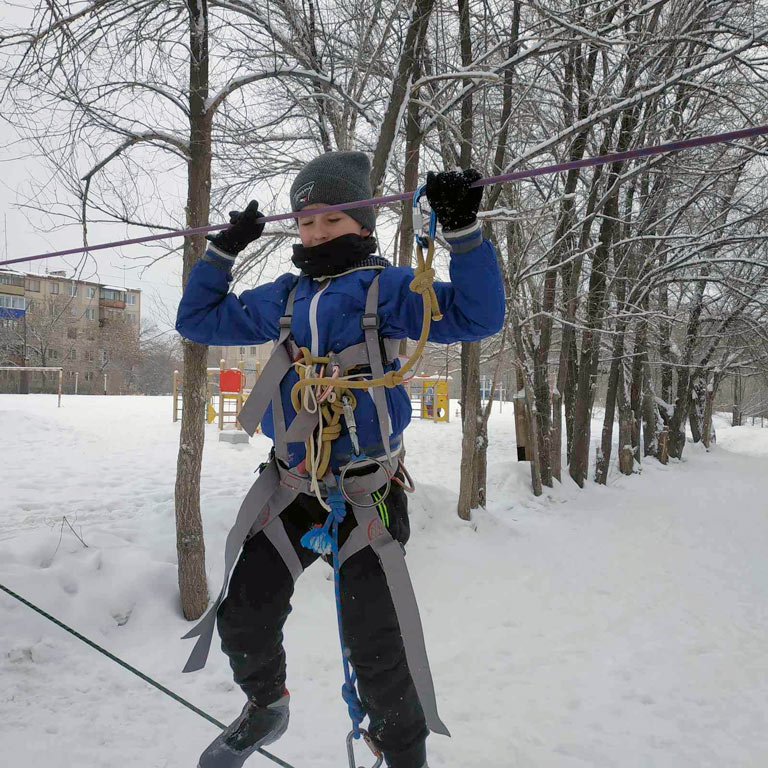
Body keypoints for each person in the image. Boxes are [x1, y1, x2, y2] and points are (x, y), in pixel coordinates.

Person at [176, 151, 505, 768]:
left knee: (377, 648)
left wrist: (463, 233)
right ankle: (265, 705)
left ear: (363, 222)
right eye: (305, 222)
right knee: (244, 613)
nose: (317, 233)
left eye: (331, 219)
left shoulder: (394, 288)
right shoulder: (284, 297)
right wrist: (223, 253)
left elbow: (479, 315)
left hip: (367, 496)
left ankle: (404, 754)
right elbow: (196, 319)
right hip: (296, 492)